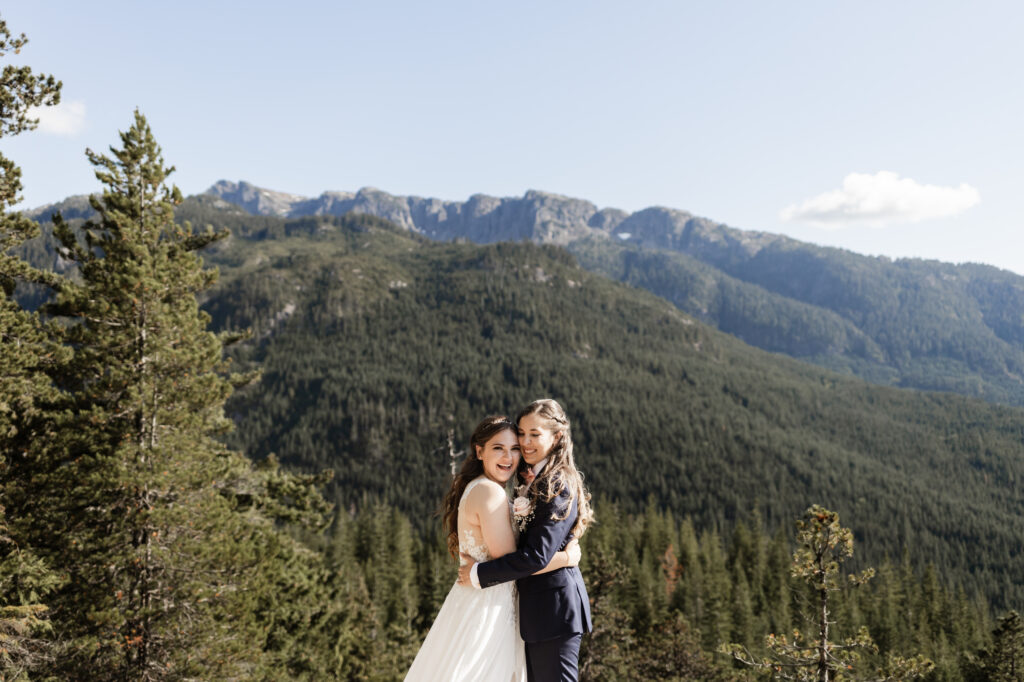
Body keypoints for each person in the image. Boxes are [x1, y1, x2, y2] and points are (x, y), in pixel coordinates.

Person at [405, 415, 581, 682]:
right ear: (479, 451)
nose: (508, 457)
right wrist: (567, 557)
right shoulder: (490, 492)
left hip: (486, 600)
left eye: (514, 449)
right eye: (498, 448)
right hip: (489, 607)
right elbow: (516, 562)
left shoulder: (480, 487)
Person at [459, 399, 594, 682]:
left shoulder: (556, 483)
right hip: (538, 612)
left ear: (557, 437)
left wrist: (478, 573)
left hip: (555, 610)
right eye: (522, 433)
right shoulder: (532, 478)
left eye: (535, 434)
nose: (526, 442)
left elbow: (536, 556)